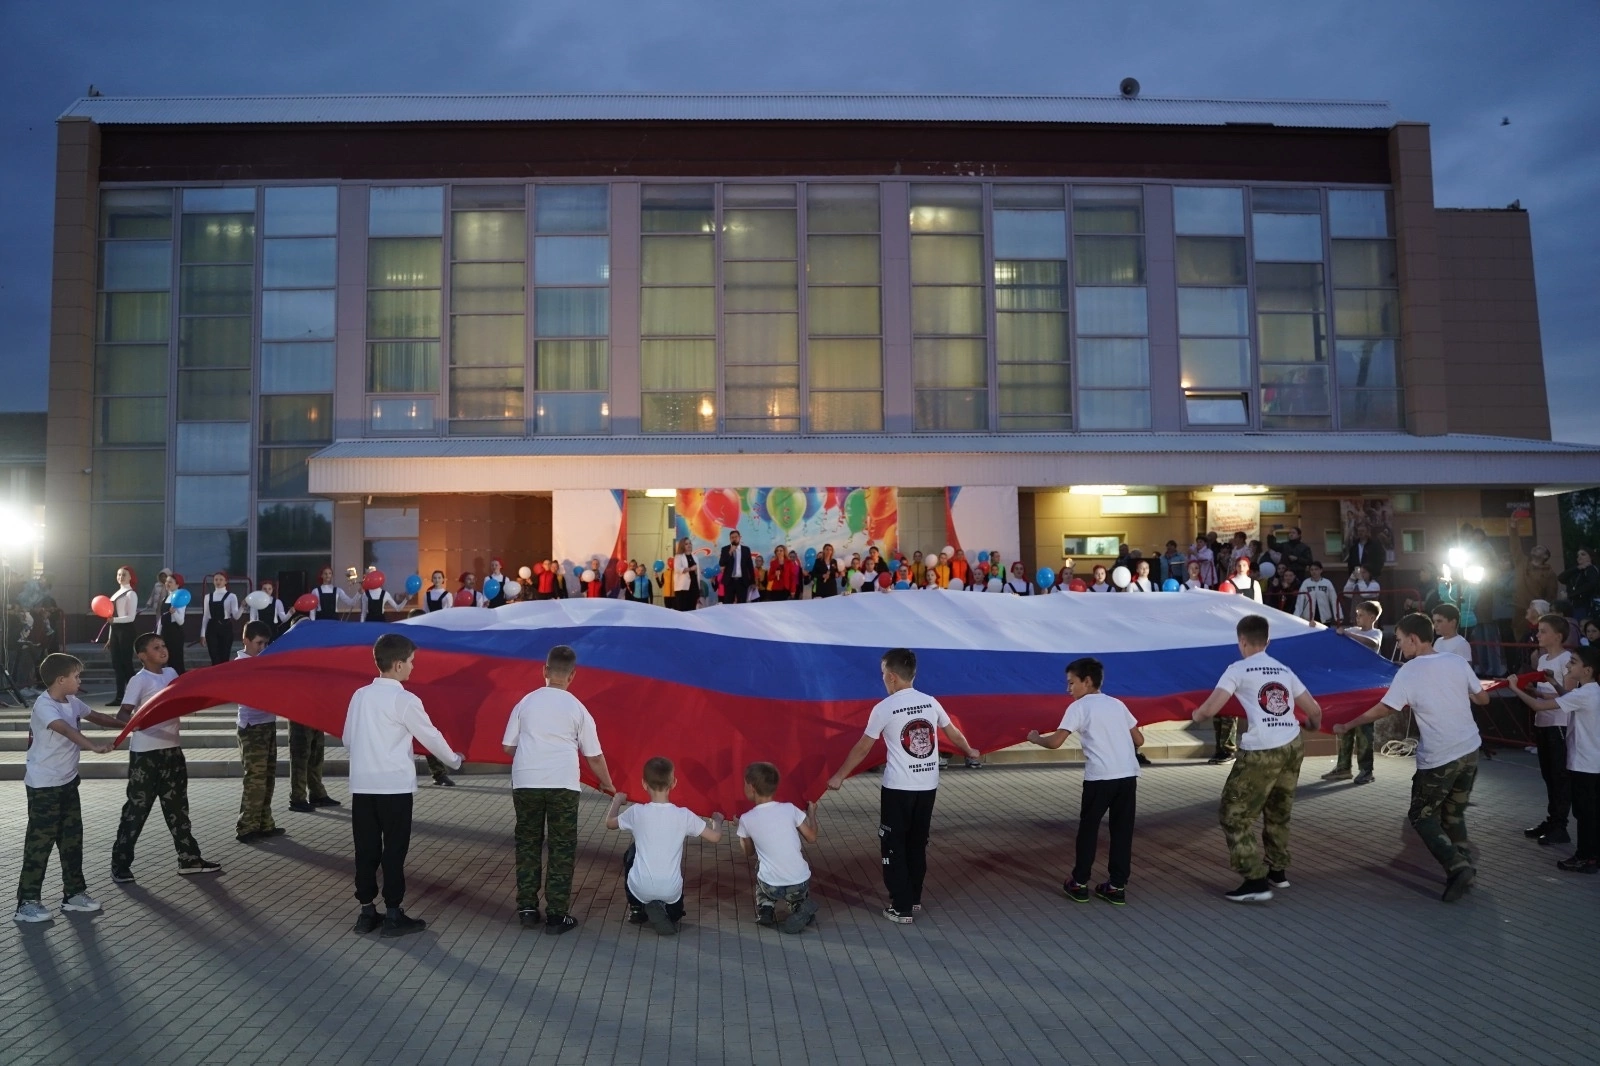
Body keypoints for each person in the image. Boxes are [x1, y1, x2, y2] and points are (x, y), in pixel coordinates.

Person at [1337, 613, 1489, 901]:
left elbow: (1386, 708)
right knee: (1453, 811)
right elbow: (1483, 698)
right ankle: (1465, 860)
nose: (1399, 645)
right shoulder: (1456, 662)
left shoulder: (1409, 671)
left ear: (1414, 639)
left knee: (1422, 815)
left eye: (1401, 640)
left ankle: (1457, 866)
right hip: (1470, 748)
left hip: (1440, 755)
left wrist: (1348, 723)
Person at [826, 648, 982, 924]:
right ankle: (914, 897)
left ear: (893, 677)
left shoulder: (884, 707)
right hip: (928, 785)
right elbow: (952, 732)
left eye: (883, 674)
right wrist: (968, 750)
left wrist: (839, 775)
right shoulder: (930, 702)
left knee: (893, 845)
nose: (883, 679)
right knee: (917, 843)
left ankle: (901, 907)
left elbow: (863, 748)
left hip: (899, 789)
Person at [1190, 614, 1323, 902]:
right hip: (1292, 744)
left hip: (1262, 749)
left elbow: (1211, 708)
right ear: (1267, 641)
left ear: (1241, 641)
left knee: (1233, 814)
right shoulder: (1284, 669)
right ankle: (1278, 871)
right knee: (1278, 810)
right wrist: (1310, 727)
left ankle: (1254, 879)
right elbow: (1314, 711)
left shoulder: (1237, 669)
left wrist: (1196, 714)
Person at [345, 633, 463, 937]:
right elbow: (430, 735)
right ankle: (394, 913)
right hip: (394, 787)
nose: (413, 667)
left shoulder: (360, 695)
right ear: (398, 665)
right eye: (411, 662)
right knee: (394, 850)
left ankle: (366, 912)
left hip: (362, 785)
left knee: (366, 849)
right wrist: (454, 759)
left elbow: (347, 738)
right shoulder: (404, 700)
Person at [501, 644, 616, 934]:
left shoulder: (526, 702)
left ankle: (527, 908)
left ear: (545, 671)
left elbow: (506, 746)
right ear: (572, 676)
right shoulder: (578, 708)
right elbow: (594, 756)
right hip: (563, 783)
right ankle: (556, 914)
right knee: (562, 847)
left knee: (527, 843)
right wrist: (607, 783)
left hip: (526, 781)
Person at [1026, 657, 1143, 905]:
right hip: (1127, 775)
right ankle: (1117, 886)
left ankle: (1079, 883)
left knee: (1089, 830)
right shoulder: (1117, 704)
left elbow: (1056, 742)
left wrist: (1036, 738)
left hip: (1100, 777)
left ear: (1087, 681)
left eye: (1071, 683)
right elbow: (1140, 740)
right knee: (1122, 832)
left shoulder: (1079, 707)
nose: (1068, 689)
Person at [13, 654, 121, 923]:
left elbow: (96, 716)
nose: (80, 680)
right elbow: (64, 730)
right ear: (61, 680)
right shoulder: (44, 706)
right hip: (44, 786)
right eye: (76, 676)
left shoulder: (71, 701)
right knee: (40, 844)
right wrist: (93, 746)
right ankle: (27, 902)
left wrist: (128, 725)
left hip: (68, 782)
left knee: (72, 841)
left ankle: (74, 894)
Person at [111, 633, 221, 883]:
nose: (163, 650)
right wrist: (139, 723)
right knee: (137, 811)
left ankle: (189, 859)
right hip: (146, 756)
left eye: (164, 645)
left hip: (172, 751)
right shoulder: (139, 681)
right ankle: (120, 863)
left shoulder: (171, 674)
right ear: (142, 655)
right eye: (156, 647)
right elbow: (122, 716)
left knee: (178, 808)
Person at [603, 756, 724, 935]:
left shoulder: (637, 812)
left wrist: (617, 802)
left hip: (641, 887)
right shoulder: (684, 815)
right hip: (670, 889)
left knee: (632, 853)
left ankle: (637, 908)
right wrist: (717, 821)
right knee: (675, 908)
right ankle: (670, 913)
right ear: (674, 783)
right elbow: (715, 837)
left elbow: (609, 823)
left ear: (644, 784)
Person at [1507, 646, 1600, 872]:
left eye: (1574, 662)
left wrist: (1515, 688)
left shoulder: (1585, 693)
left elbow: (1539, 706)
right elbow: (1569, 698)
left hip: (1585, 762)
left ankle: (1586, 857)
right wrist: (1555, 683)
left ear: (1587, 670)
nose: (1568, 665)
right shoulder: (1591, 691)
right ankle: (1591, 856)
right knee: (1590, 812)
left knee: (1585, 814)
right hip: (1592, 762)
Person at [729, 761, 820, 933]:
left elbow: (748, 852)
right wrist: (812, 814)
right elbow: (812, 837)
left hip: (771, 885)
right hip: (799, 882)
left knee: (760, 866)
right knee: (797, 892)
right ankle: (800, 908)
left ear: (751, 787)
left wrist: (742, 830)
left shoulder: (747, 819)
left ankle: (766, 908)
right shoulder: (790, 809)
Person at [1521, 613, 1575, 846]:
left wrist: (1539, 693)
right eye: (1538, 630)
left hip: (1559, 723)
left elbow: (1570, 695)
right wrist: (1531, 689)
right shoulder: (1542, 660)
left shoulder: (1567, 659)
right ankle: (1552, 820)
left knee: (1559, 776)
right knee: (1548, 775)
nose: (1538, 635)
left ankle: (1560, 825)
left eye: (1543, 631)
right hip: (1543, 720)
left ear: (1558, 636)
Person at [234, 621, 285, 844]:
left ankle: (265, 822)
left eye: (266, 643)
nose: (262, 647)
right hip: (251, 727)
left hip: (267, 723)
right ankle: (247, 826)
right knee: (255, 779)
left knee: (268, 776)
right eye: (258, 643)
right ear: (246, 641)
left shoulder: (265, 660)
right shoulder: (240, 664)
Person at [1325, 601, 1384, 785]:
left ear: (1372, 617)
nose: (1357, 618)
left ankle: (1366, 770)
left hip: (1366, 688)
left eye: (1361, 614)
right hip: (1347, 687)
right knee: (1345, 725)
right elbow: (1332, 634)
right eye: (1357, 614)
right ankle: (1343, 767)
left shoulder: (1375, 633)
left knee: (1364, 729)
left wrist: (1348, 634)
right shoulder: (1353, 630)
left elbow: (1372, 644)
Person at [106, 566, 140, 706]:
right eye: (119, 574)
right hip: (115, 630)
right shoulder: (115, 593)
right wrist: (109, 637)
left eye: (124, 574)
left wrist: (115, 621)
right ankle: (119, 697)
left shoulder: (131, 594)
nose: (121, 577)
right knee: (116, 665)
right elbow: (110, 617)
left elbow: (131, 617)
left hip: (126, 630)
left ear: (130, 577)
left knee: (126, 664)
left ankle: (136, 696)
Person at [201, 572, 239, 668]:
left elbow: (236, 616)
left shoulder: (231, 596)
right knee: (214, 657)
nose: (218, 581)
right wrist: (202, 634)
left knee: (224, 657)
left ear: (226, 581)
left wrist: (242, 607)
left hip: (225, 627)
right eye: (216, 579)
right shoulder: (208, 597)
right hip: (212, 627)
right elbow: (205, 616)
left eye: (221, 579)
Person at [157, 573, 188, 676]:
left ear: (177, 584)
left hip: (175, 633)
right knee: (166, 662)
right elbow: (161, 618)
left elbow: (181, 621)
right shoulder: (165, 598)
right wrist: (157, 634)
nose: (167, 584)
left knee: (176, 662)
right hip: (165, 632)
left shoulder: (179, 598)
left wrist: (174, 612)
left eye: (170, 582)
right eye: (166, 581)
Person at [1294, 561, 1342, 626]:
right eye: (1312, 570)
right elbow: (1300, 601)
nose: (1314, 572)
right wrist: (1296, 617)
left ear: (1321, 570)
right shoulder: (1305, 583)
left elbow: (1334, 600)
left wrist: (1339, 616)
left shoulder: (1327, 583)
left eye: (1316, 569)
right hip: (1309, 618)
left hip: (1325, 617)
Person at [1559, 547, 1600, 622]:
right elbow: (1561, 578)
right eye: (1578, 555)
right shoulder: (1577, 571)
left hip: (1584, 606)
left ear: (1590, 557)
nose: (1579, 557)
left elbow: (1591, 585)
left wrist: (1570, 594)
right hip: (1573, 606)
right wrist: (1577, 568)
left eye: (1583, 554)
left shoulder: (1591, 569)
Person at [718, 532, 755, 605]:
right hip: (729, 581)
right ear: (730, 539)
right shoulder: (725, 549)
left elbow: (750, 566)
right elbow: (721, 563)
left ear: (740, 538)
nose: (734, 539)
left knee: (742, 604)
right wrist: (730, 552)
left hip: (742, 581)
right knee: (728, 603)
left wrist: (753, 581)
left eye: (736, 537)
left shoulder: (746, 550)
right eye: (732, 537)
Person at [668, 538, 699, 612]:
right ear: (682, 546)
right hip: (683, 588)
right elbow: (678, 569)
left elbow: (696, 571)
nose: (689, 545)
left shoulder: (695, 557)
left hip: (694, 587)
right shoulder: (679, 557)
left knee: (692, 610)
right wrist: (690, 569)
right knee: (683, 610)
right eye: (686, 544)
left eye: (690, 543)